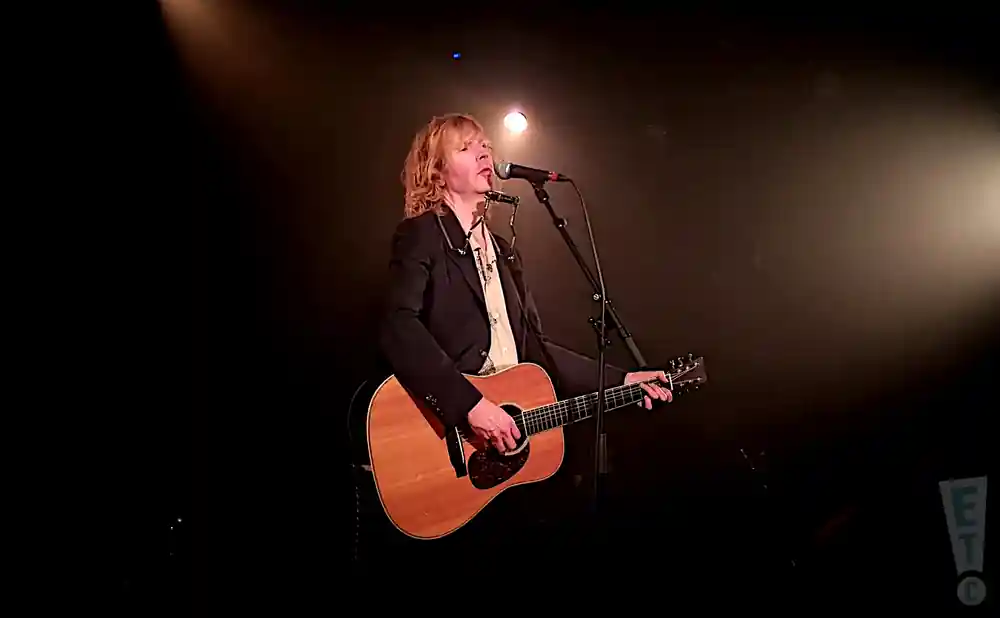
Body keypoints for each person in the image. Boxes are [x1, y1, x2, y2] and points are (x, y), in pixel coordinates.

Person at [375, 113, 672, 562]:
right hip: (448, 435)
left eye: (485, 145)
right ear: (437, 172)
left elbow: (535, 350)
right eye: (466, 147)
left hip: (505, 465)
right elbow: (399, 325)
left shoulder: (504, 250)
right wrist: (471, 406)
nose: (484, 153)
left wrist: (622, 380)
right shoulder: (422, 236)